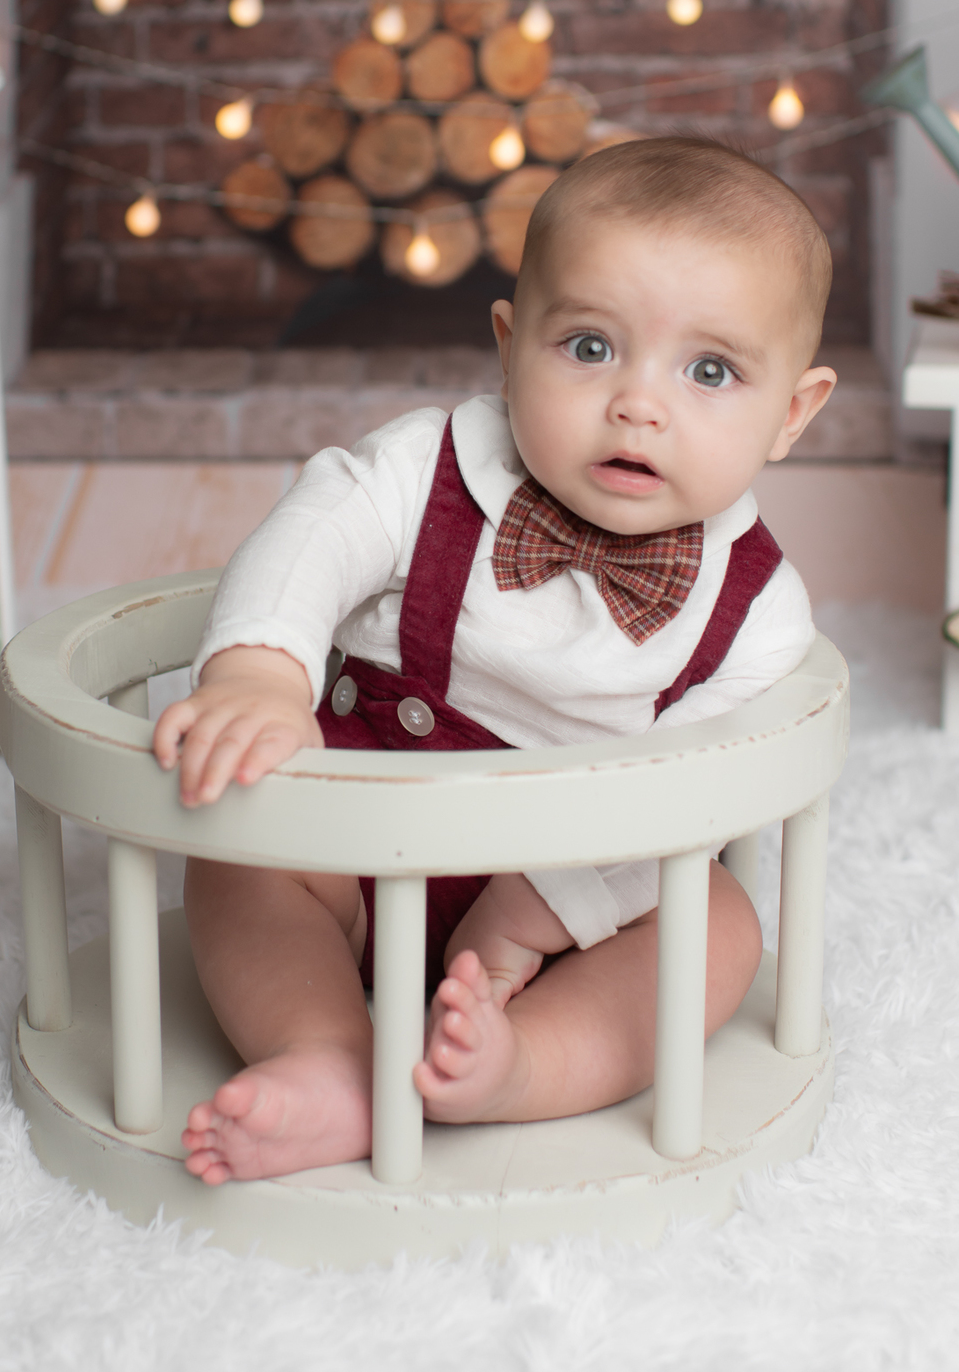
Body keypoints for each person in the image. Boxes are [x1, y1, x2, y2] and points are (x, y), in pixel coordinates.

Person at [153, 136, 838, 1187]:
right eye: (590, 347)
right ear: (510, 346)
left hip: (567, 908)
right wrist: (258, 670)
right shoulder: (425, 465)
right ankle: (330, 1060)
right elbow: (312, 535)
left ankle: (525, 1068)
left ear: (792, 413)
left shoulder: (760, 614)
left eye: (710, 370)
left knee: (720, 930)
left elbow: (688, 792)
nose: (638, 405)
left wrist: (530, 915)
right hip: (357, 830)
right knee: (239, 847)